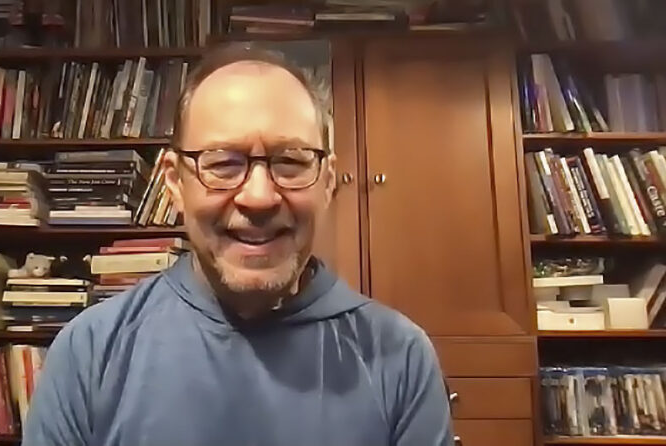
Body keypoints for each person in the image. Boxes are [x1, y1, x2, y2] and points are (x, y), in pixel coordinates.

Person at [23, 44, 454, 446]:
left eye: (291, 161)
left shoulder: (401, 358)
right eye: (224, 163)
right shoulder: (89, 353)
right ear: (175, 182)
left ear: (326, 182)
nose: (260, 197)